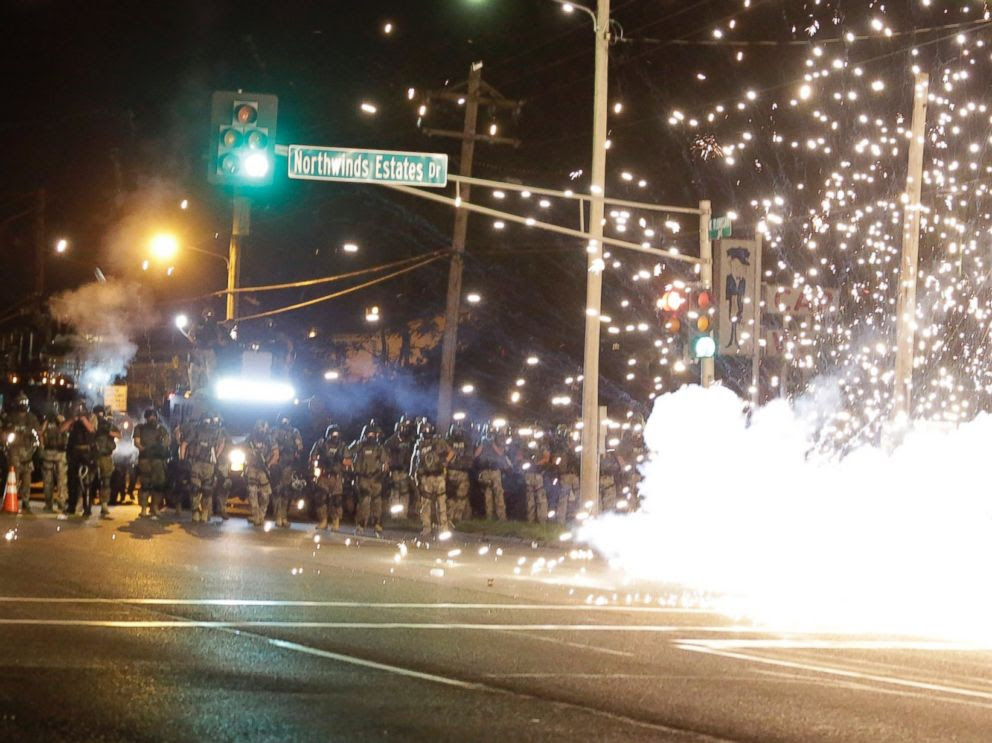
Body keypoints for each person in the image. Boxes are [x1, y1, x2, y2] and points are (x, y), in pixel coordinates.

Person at [410, 420, 452, 539]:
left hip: (438, 476)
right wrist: (414, 474)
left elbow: (451, 452)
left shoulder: (438, 441)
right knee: (425, 504)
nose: (426, 432)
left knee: (441, 503)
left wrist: (445, 462)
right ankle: (427, 527)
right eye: (424, 430)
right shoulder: (419, 444)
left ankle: (444, 527)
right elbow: (414, 461)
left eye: (427, 430)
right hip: (425, 477)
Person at [184, 412, 226, 523]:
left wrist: (216, 456)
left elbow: (222, 443)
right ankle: (198, 512)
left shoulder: (214, 431)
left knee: (204, 490)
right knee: (197, 489)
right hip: (198, 463)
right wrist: (183, 461)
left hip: (205, 464)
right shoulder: (197, 430)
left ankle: (202, 513)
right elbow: (184, 444)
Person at [3, 392, 40, 514]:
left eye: (25, 402)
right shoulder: (11, 418)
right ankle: (10, 499)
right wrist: (6, 445)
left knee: (27, 479)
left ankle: (26, 501)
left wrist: (34, 448)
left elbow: (36, 435)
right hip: (14, 452)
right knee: (14, 478)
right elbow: (5, 434)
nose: (23, 405)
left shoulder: (32, 418)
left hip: (28, 452)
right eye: (21, 402)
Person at [310, 424, 351, 531]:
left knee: (337, 500)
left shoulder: (342, 446)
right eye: (333, 434)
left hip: (336, 477)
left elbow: (349, 461)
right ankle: (323, 521)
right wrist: (319, 460)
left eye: (337, 434)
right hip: (323, 475)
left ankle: (335, 522)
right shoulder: (321, 444)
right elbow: (312, 457)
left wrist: (341, 459)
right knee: (321, 498)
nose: (335, 436)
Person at [352, 420, 388, 535]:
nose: (371, 437)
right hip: (363, 477)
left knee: (377, 501)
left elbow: (385, 462)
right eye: (369, 434)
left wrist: (382, 475)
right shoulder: (360, 445)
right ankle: (361, 524)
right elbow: (348, 453)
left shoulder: (379, 447)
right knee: (365, 500)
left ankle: (377, 524)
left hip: (376, 477)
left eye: (374, 435)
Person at [133, 408, 170, 518]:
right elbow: (136, 442)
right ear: (146, 418)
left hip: (157, 460)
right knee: (145, 485)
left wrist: (159, 449)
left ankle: (154, 507)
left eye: (154, 416)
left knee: (158, 486)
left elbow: (167, 442)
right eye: (150, 416)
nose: (152, 418)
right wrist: (145, 450)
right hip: (146, 460)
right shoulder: (140, 428)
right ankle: (145, 509)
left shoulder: (161, 429)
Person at [270, 415, 304, 528]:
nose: (285, 421)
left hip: (288, 465)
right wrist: (277, 451)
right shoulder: (274, 431)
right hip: (276, 464)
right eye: (283, 419)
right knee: (277, 491)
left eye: (287, 419)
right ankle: (278, 516)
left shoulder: (294, 432)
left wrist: (298, 451)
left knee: (286, 492)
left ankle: (284, 516)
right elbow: (272, 443)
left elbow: (300, 445)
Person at [63, 404, 96, 518]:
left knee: (87, 483)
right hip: (74, 453)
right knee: (72, 482)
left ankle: (87, 508)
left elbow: (91, 429)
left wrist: (83, 419)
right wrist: (73, 419)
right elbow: (62, 429)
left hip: (87, 454)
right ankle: (71, 506)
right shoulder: (73, 421)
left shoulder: (91, 418)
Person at [475, 423, 510, 521]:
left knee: (498, 494)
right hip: (486, 471)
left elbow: (500, 453)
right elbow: (476, 454)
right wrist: (483, 443)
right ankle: (489, 517)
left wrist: (493, 443)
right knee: (488, 495)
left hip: (495, 471)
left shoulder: (499, 440)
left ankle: (502, 517)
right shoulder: (484, 441)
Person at [91, 405, 121, 520]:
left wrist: (108, 432)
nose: (99, 415)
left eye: (100, 413)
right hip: (93, 455)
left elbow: (119, 435)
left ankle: (104, 504)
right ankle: (89, 501)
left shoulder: (108, 424)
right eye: (97, 413)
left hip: (105, 456)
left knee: (106, 480)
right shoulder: (91, 423)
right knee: (90, 480)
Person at [245, 419, 275, 526]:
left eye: (264, 428)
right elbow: (244, 449)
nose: (262, 430)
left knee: (265, 494)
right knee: (252, 493)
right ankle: (255, 515)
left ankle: (261, 514)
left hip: (264, 469)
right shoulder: (250, 438)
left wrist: (269, 464)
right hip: (252, 468)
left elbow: (275, 453)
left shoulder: (269, 439)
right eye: (260, 428)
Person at [384, 416, 416, 518]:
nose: (405, 429)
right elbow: (385, 453)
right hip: (395, 471)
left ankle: (403, 515)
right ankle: (394, 515)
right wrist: (387, 465)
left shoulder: (411, 440)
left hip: (406, 471)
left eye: (407, 427)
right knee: (395, 493)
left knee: (405, 493)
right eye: (403, 427)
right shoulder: (392, 440)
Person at [445, 422, 474, 524]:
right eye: (455, 431)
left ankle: (458, 518)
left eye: (459, 430)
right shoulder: (447, 441)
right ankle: (449, 517)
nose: (457, 432)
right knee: (451, 496)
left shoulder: (467, 442)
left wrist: (465, 462)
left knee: (461, 497)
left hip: (463, 472)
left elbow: (470, 457)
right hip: (451, 472)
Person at [521, 427, 551, 524]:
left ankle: (542, 521)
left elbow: (546, 458)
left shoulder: (543, 445)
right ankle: (531, 520)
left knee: (540, 498)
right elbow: (521, 456)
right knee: (530, 499)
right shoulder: (528, 445)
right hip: (530, 474)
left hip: (539, 474)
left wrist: (537, 464)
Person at [40, 413, 69, 513]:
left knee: (50, 481)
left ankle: (50, 504)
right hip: (59, 454)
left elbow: (41, 434)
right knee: (60, 480)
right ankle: (60, 503)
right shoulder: (59, 420)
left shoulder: (47, 422)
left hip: (51, 453)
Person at [553, 425, 580, 524]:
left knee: (576, 498)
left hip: (572, 474)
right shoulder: (560, 446)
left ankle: (576, 519)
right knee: (564, 499)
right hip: (565, 474)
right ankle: (561, 521)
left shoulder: (573, 446)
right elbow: (557, 461)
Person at [598, 448, 624, 513]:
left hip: (610, 482)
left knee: (609, 504)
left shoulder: (616, 457)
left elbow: (621, 469)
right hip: (598, 481)